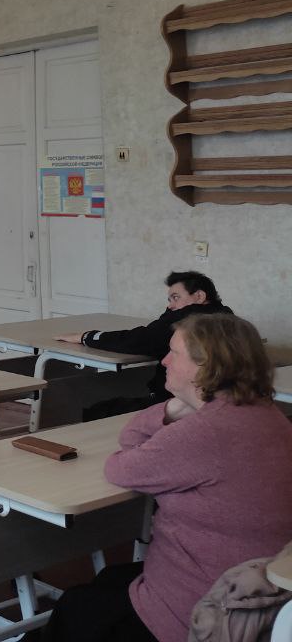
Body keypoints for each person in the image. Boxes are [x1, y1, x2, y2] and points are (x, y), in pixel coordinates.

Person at [43, 314, 292, 642]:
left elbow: (119, 466)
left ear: (205, 367)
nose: (164, 361)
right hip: (266, 598)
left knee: (76, 607)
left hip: (205, 610)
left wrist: (169, 410)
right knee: (110, 578)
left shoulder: (204, 432)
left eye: (174, 353)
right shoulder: (272, 417)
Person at [56, 270, 233, 417]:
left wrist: (86, 337)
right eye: (169, 300)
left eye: (176, 297)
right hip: (215, 402)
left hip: (174, 402)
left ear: (200, 296)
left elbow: (137, 340)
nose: (170, 306)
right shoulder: (228, 318)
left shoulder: (188, 320)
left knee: (99, 411)